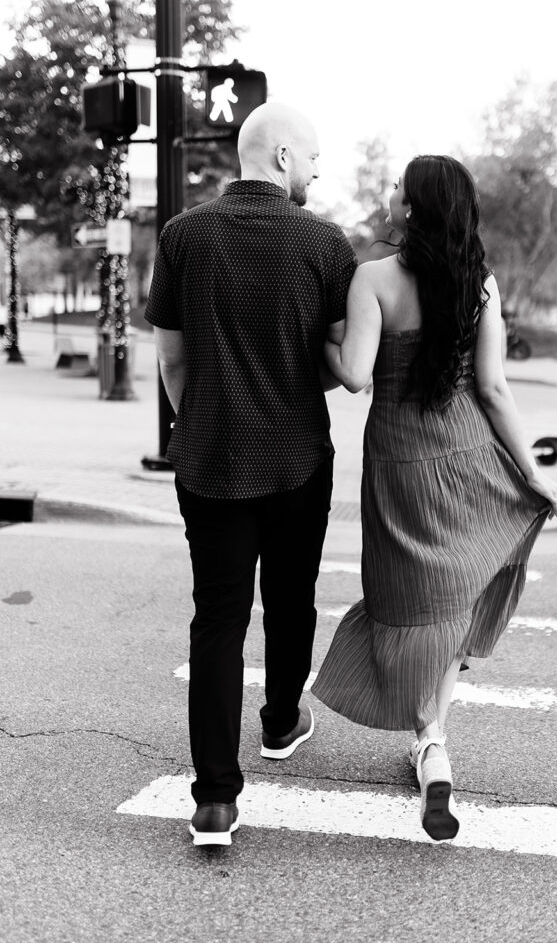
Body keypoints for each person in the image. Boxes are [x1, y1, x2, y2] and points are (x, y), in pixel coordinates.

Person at [311, 155, 557, 842]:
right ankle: (432, 743)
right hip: (470, 456)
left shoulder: (372, 280)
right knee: (452, 595)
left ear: (416, 205)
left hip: (400, 465)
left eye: (399, 187)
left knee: (413, 600)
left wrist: (323, 339)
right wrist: (531, 473)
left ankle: (430, 741)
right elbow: (493, 389)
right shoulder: (477, 284)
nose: (391, 195)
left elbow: (355, 378)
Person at [144, 102, 357, 847]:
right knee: (291, 599)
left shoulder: (181, 235)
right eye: (313, 157)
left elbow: (171, 359)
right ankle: (277, 723)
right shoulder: (325, 244)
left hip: (207, 459)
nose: (319, 171)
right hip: (298, 459)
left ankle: (213, 799)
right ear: (280, 158)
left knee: (218, 620)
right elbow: (332, 363)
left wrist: (204, 413)